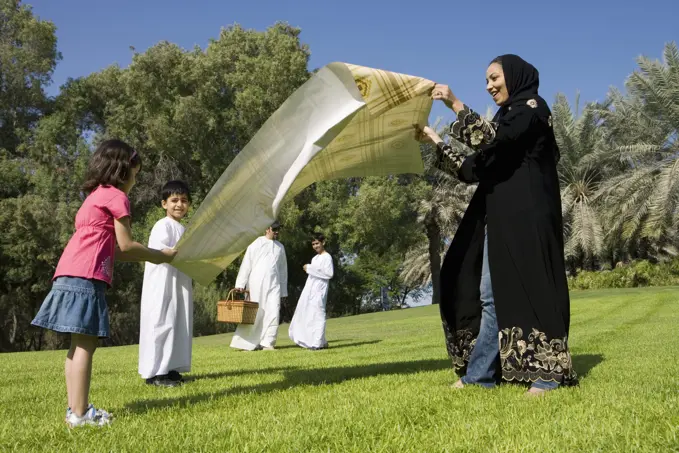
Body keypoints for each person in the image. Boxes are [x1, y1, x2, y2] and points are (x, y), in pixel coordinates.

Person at [417, 54, 577, 395]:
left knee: (535, 288)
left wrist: (454, 103)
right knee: (489, 297)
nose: (489, 86)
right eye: (486, 81)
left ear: (514, 76)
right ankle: (481, 375)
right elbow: (473, 168)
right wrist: (433, 139)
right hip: (500, 221)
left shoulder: (533, 109)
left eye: (494, 78)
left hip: (529, 220)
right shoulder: (507, 122)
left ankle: (548, 373)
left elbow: (492, 139)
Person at [31, 139, 177, 427]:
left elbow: (117, 251)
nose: (137, 177)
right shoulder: (117, 197)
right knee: (86, 345)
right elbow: (127, 244)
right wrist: (160, 256)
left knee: (76, 346)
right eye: (136, 171)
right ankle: (83, 413)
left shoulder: (94, 196)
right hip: (87, 276)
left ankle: (74, 410)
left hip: (68, 272)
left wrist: (151, 257)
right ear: (125, 168)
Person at [138, 180, 193, 387]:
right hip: (163, 283)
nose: (179, 205)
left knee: (178, 323)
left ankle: (171, 368)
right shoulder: (163, 225)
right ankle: (156, 372)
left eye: (184, 201)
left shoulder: (183, 228)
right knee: (163, 322)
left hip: (178, 283)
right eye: (174, 200)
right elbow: (161, 253)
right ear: (164, 204)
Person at [230, 221, 288, 351]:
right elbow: (246, 264)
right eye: (274, 229)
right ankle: (248, 343)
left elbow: (283, 270)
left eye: (278, 229)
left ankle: (268, 342)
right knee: (255, 312)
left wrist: (283, 290)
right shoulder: (256, 243)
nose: (277, 231)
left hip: (275, 284)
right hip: (256, 283)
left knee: (273, 311)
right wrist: (240, 284)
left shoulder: (280, 247)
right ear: (267, 229)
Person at [289, 233, 334, 350]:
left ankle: (318, 343)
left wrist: (309, 268)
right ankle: (320, 341)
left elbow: (328, 273)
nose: (315, 246)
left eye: (317, 243)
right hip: (311, 290)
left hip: (320, 290)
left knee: (319, 314)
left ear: (323, 242)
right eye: (313, 244)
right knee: (310, 314)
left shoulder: (327, 257)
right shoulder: (315, 258)